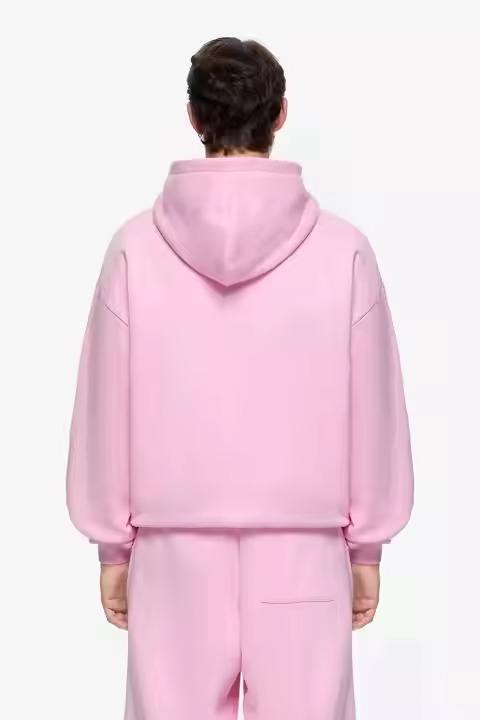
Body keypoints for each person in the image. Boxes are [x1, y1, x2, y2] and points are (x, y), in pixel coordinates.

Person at [66, 36, 414, 720]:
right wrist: (366, 546)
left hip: (173, 554)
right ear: (280, 114)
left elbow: (104, 406)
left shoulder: (134, 249)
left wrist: (113, 546)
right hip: (303, 551)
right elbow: (375, 408)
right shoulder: (343, 251)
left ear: (195, 118)